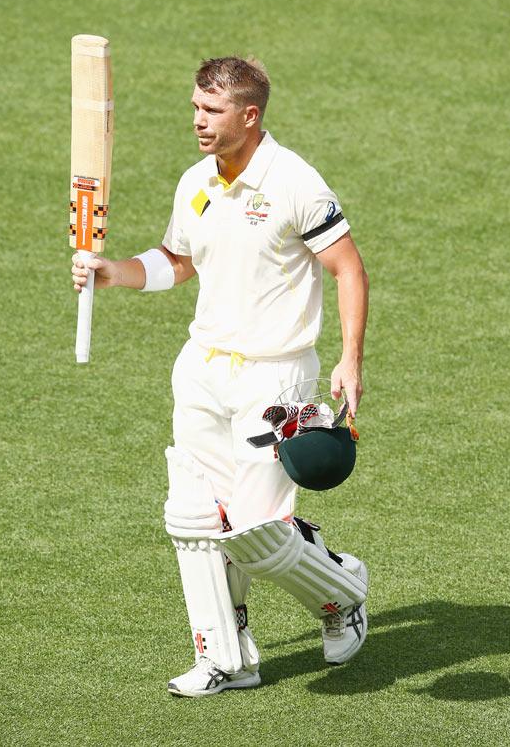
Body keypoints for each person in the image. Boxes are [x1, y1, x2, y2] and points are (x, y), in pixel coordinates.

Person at [71, 56, 370, 697]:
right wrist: (112, 272)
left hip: (275, 379)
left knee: (253, 534)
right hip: (202, 370)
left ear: (249, 115)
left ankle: (342, 595)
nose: (198, 121)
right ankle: (226, 658)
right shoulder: (195, 183)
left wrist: (349, 359)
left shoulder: (295, 183)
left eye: (211, 111)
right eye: (195, 108)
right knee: (196, 518)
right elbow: (179, 260)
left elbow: (348, 269)